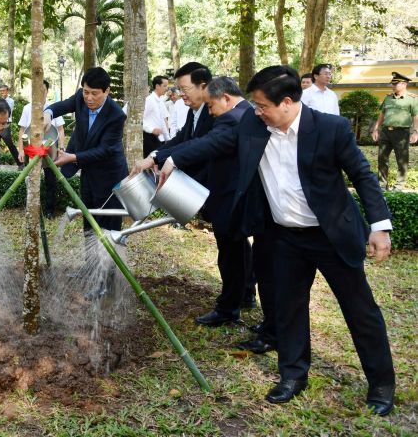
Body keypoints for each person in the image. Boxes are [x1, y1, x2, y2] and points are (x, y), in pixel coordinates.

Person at [158, 65, 395, 415]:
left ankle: (381, 385)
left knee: (360, 310)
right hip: (283, 236)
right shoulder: (254, 125)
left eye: (262, 105)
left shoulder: (330, 128)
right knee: (288, 308)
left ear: (286, 102)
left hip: (329, 235)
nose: (256, 111)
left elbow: (362, 175)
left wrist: (380, 225)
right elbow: (214, 142)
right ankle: (293, 376)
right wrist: (169, 157)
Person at [135, 76, 254, 328]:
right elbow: (191, 140)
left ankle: (229, 308)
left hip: (230, 194)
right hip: (230, 192)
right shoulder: (240, 112)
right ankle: (244, 293)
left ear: (224, 97)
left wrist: (173, 159)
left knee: (231, 252)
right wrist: (162, 155)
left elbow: (207, 143)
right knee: (238, 248)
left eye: (212, 106)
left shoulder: (233, 117)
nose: (211, 112)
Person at [45, 67, 127, 232]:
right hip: (88, 172)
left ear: (107, 91)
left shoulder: (116, 115)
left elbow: (104, 150)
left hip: (109, 176)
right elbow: (63, 105)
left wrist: (72, 157)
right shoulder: (80, 98)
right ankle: (90, 258)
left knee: (108, 225)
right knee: (89, 220)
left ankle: (109, 257)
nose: (89, 98)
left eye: (94, 93)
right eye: (86, 92)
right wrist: (48, 113)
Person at [17, 80, 66, 218]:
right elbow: (22, 131)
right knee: (32, 180)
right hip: (31, 150)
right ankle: (32, 209)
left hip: (50, 149)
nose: (39, 94)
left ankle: (50, 210)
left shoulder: (53, 108)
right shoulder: (27, 108)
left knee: (51, 180)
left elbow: (61, 129)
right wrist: (21, 150)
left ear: (47, 91)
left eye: (42, 91)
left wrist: (61, 147)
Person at [371, 72, 418, 191]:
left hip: (401, 133)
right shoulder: (388, 98)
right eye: (392, 83)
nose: (392, 86)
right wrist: (376, 129)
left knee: (402, 160)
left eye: (395, 84)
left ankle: (399, 185)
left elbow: (416, 117)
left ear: (404, 84)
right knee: (382, 159)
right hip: (386, 132)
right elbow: (382, 114)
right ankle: (382, 185)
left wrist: (416, 132)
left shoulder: (412, 99)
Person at [0, 84, 23, 170]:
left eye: (4, 91)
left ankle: (20, 164)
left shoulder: (10, 101)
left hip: (5, 124)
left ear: (7, 91)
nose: (2, 92)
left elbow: (6, 112)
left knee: (10, 144)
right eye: (1, 91)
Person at [142, 75, 170, 157]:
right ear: (157, 86)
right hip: (149, 137)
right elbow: (140, 119)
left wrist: (168, 138)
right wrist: (151, 130)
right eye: (164, 86)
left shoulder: (160, 101)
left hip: (159, 138)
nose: (166, 88)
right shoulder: (149, 100)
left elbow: (162, 121)